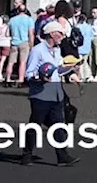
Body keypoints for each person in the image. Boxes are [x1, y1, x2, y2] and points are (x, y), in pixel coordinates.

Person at [20, 20, 80, 167]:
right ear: (52, 34)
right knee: (34, 126)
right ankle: (27, 155)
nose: (63, 36)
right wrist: (40, 77)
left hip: (56, 93)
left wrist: (70, 72)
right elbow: (28, 73)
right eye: (60, 33)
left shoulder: (57, 50)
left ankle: (62, 156)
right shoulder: (37, 50)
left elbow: (58, 69)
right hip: (40, 94)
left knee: (59, 125)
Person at [7, 4, 34, 87]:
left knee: (11, 62)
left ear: (17, 11)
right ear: (25, 11)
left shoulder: (12, 20)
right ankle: (21, 79)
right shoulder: (29, 20)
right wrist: (31, 45)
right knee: (23, 62)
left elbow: (8, 33)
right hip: (24, 42)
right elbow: (31, 33)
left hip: (14, 42)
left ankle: (8, 79)